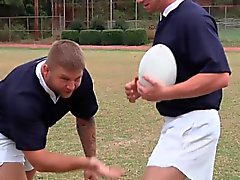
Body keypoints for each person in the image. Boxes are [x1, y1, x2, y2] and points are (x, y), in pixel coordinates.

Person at [125, 0, 231, 180]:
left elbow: (219, 75)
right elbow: (178, 69)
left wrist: (164, 93)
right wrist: (143, 86)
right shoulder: (168, 18)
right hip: (176, 124)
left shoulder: (192, 18)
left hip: (195, 125)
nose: (138, 1)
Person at [0, 40, 123, 180]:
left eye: (77, 78)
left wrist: (91, 160)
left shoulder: (80, 80)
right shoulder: (22, 98)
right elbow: (40, 161)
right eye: (64, 79)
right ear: (46, 70)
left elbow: (85, 120)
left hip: (25, 128)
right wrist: (87, 163)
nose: (71, 86)